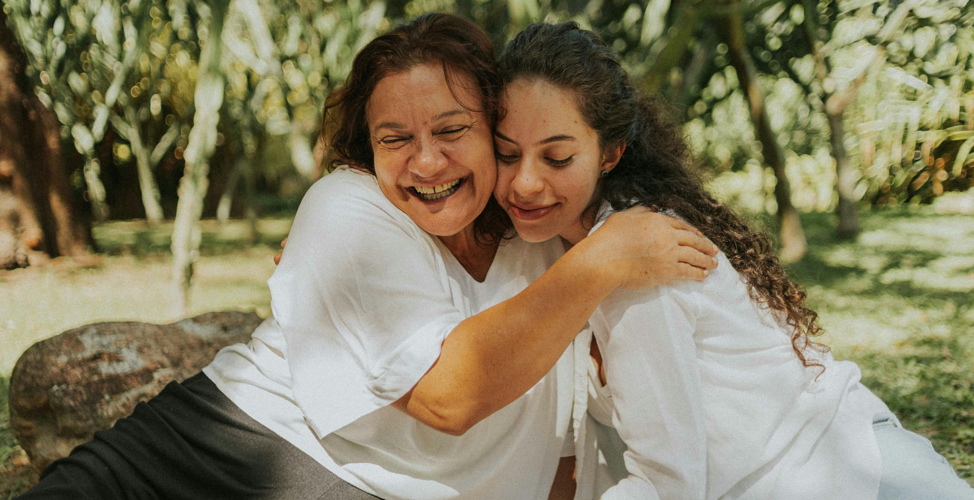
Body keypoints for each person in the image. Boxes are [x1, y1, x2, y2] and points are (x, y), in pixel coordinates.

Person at [17, 14, 718, 500]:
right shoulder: (349, 210)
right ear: (368, 149)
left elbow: (556, 451)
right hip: (216, 455)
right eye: (395, 139)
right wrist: (599, 263)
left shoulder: (537, 232)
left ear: (495, 129)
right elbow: (448, 395)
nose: (426, 162)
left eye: (453, 130)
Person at [491, 21, 974, 500]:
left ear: (610, 154)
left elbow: (667, 485)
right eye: (506, 154)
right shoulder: (553, 250)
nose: (525, 183)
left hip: (860, 477)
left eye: (557, 158)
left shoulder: (642, 261)